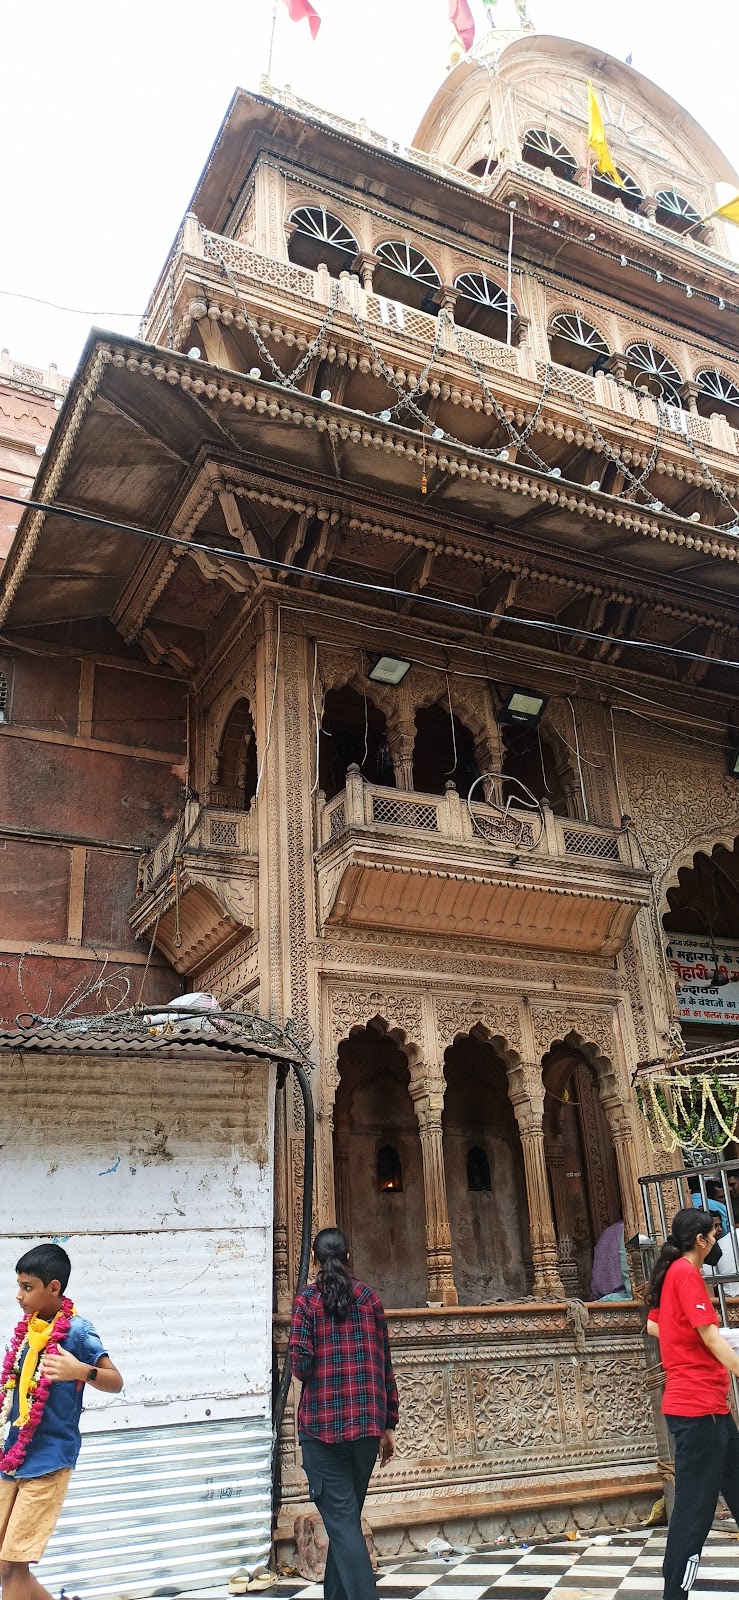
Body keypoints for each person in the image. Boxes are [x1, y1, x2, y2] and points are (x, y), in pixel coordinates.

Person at [0, 1244, 123, 1600]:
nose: (19, 1296)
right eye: (18, 1286)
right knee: (5, 1566)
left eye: (27, 1287)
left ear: (53, 1288)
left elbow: (115, 1382)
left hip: (48, 1460)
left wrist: (79, 1370)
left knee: (15, 1564)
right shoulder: (29, 1329)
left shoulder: (77, 1332)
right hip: (11, 1456)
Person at [288, 1229, 398, 1600]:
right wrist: (389, 1425)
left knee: (343, 1524)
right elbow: (386, 1365)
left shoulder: (307, 1301)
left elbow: (300, 1365)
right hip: (367, 1428)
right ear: (348, 1256)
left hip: (322, 1432)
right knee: (345, 1522)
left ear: (316, 1259)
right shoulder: (369, 1299)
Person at [645, 1208, 739, 1600]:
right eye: (714, 1233)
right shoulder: (685, 1274)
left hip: (711, 1408)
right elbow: (711, 1337)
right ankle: (675, 1593)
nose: (717, 1240)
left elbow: (657, 1326)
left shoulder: (675, 1275)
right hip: (699, 1409)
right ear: (700, 1239)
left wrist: (688, 1341)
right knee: (694, 1511)